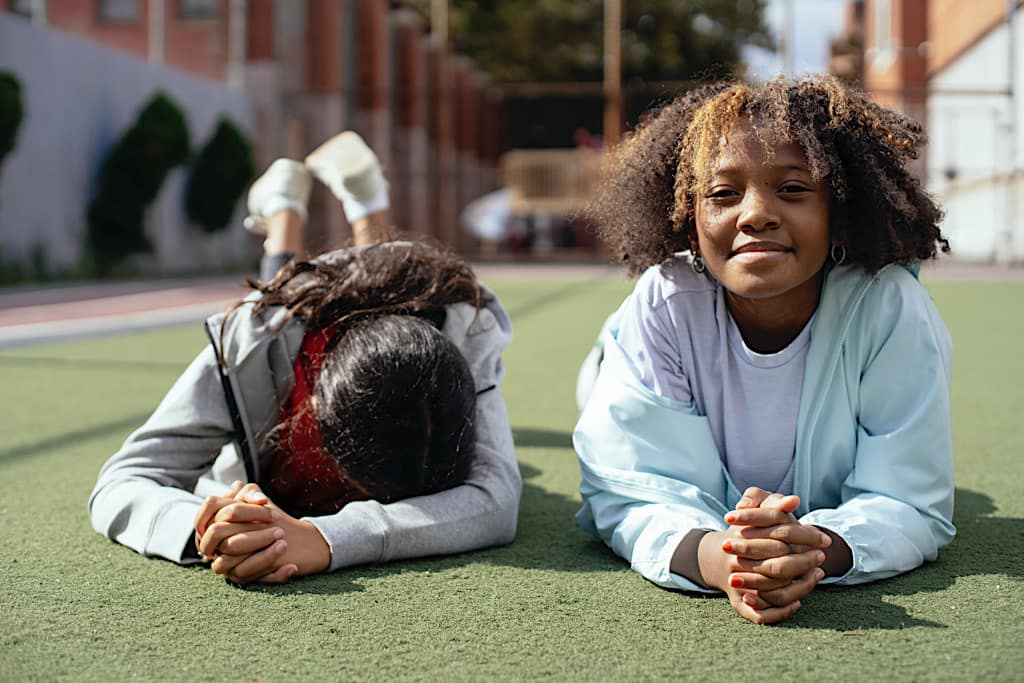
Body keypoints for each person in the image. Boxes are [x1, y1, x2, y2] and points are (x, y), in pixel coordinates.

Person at [573, 76, 955, 625]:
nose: (755, 214)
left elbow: (911, 498)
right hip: (621, 369)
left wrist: (816, 549)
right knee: (601, 392)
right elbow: (627, 486)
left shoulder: (887, 305)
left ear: (840, 211)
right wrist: (721, 559)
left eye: (794, 189)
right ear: (686, 221)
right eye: (723, 194)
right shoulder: (663, 301)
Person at [89, 132, 520, 585]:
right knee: (281, 296)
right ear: (311, 411)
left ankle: (360, 202)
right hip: (298, 308)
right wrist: (210, 527)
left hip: (392, 284)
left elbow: (496, 498)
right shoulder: (248, 346)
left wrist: (325, 537)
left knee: (378, 269)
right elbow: (124, 478)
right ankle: (285, 211)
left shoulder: (466, 332)